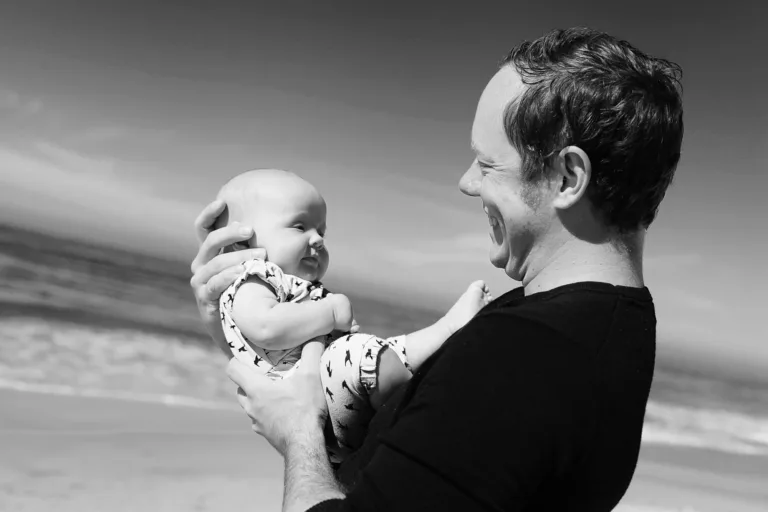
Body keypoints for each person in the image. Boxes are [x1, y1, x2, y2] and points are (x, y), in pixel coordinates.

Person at [189, 27, 684, 511]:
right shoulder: (598, 329)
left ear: (567, 177)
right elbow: (392, 453)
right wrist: (227, 322)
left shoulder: (526, 357)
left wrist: (299, 436)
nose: (467, 183)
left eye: (487, 164)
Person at [212, 168, 492, 460]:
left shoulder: (295, 284)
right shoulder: (253, 278)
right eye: (299, 227)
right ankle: (420, 420)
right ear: (243, 243)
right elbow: (264, 327)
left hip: (333, 387)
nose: (318, 240)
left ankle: (448, 328)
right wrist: (331, 311)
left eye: (321, 231)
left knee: (389, 351)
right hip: (311, 400)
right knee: (365, 355)